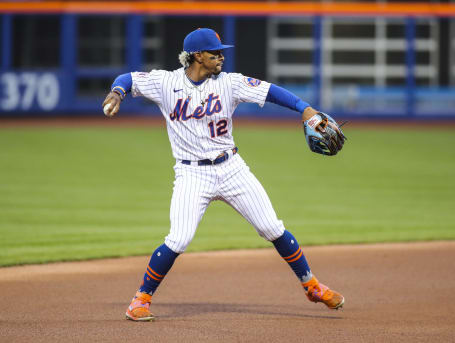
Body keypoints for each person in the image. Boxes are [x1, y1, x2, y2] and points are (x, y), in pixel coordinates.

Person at [102, 28, 345, 322]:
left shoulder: (230, 83)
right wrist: (118, 93)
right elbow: (128, 79)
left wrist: (305, 109)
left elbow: (271, 92)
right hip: (192, 174)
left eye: (221, 51)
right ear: (196, 56)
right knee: (178, 239)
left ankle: (313, 287)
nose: (221, 56)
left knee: (272, 228)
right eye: (214, 52)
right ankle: (139, 300)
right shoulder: (165, 82)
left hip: (232, 168)